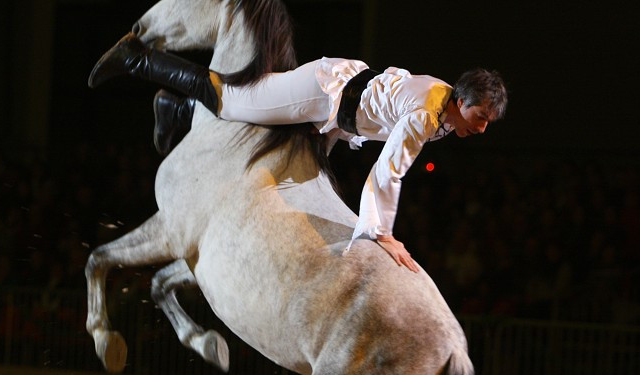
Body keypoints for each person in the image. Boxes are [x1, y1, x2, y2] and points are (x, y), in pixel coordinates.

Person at [89, 33, 508, 272]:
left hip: (335, 111)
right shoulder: (426, 113)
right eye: (480, 116)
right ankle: (136, 58)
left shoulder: (444, 110)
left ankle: (176, 108)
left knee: (262, 129)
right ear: (462, 99)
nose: (482, 127)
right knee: (230, 100)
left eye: (489, 121)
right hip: (323, 91)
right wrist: (381, 233)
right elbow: (388, 171)